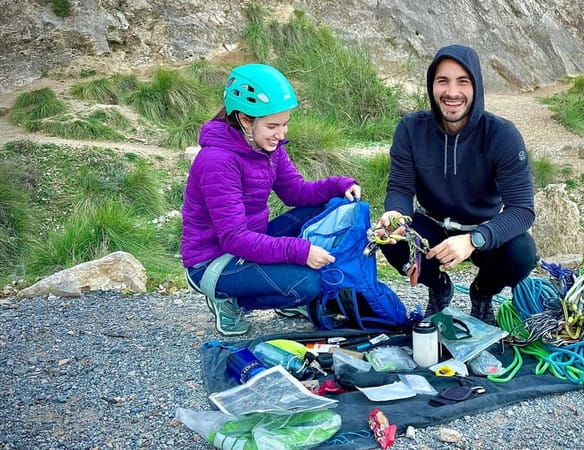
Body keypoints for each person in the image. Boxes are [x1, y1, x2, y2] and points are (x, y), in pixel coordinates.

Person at [181, 64, 361, 336]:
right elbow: (234, 239)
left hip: (250, 242)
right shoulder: (217, 162)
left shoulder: (266, 146)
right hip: (214, 262)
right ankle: (230, 301)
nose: (282, 134)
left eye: (285, 123)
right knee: (308, 284)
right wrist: (300, 252)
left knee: (331, 206)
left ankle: (280, 287)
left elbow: (295, 193)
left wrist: (339, 185)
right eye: (272, 126)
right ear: (244, 119)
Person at [377, 44, 538, 325]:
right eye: (443, 81)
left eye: (462, 81)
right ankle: (439, 287)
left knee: (522, 254)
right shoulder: (410, 128)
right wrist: (395, 215)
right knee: (392, 237)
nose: (452, 92)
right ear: (432, 86)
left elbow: (522, 210)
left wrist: (474, 240)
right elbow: (400, 189)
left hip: (484, 229)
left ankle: (482, 292)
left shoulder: (502, 134)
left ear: (476, 87)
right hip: (433, 226)